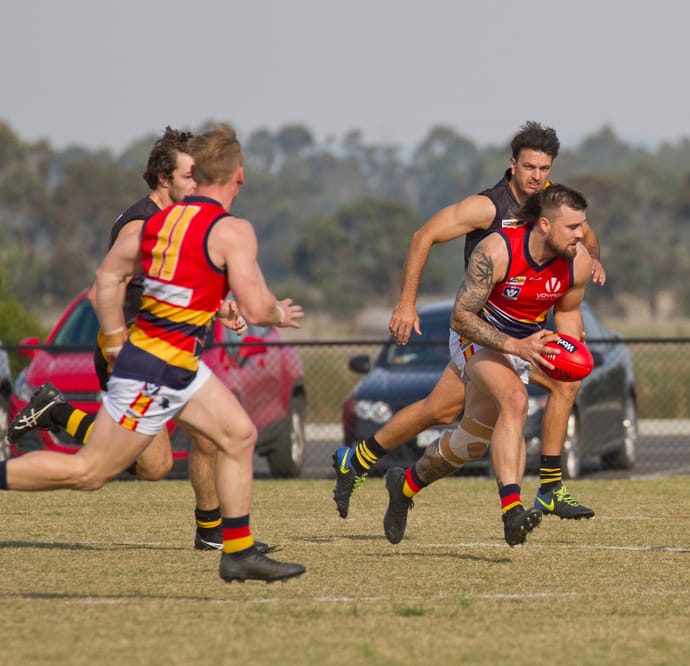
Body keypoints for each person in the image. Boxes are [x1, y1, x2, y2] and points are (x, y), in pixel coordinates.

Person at [0, 124, 306, 582]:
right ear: (238, 175)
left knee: (237, 436)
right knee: (93, 472)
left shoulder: (163, 223)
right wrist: (277, 313)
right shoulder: (230, 230)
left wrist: (130, 333)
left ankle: (235, 550)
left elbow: (108, 280)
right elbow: (259, 307)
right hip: (156, 367)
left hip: (177, 363)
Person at [333, 121, 606, 521]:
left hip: (523, 333)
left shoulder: (552, 207)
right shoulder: (488, 207)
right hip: (480, 330)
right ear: (512, 164)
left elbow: (585, 236)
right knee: (467, 412)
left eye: (545, 169)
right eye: (530, 167)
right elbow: (423, 235)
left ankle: (365, 463)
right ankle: (524, 497)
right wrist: (407, 303)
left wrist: (592, 260)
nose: (537, 177)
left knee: (447, 415)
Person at [382, 184, 593, 546]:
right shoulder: (497, 250)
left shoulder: (579, 261)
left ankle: (406, 485)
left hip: (527, 341)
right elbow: (460, 317)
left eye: (582, 226)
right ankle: (513, 510)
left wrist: (570, 348)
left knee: (472, 444)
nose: (581, 234)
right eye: (573, 227)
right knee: (514, 400)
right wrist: (514, 345)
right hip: (476, 337)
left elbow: (568, 312)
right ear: (544, 225)